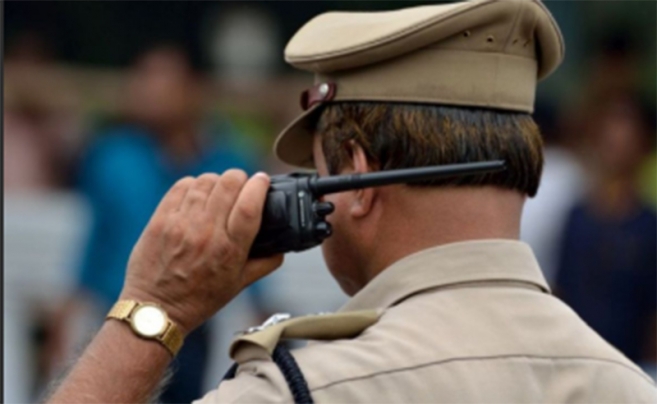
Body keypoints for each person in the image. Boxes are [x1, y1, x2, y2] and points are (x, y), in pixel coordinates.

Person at [47, 0, 656, 403]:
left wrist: (152, 312)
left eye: (318, 170)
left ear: (358, 180)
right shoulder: (627, 386)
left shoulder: (301, 390)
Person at [46, 44, 258, 403]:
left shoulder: (230, 162)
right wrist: (67, 312)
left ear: (193, 88)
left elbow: (251, 245)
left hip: (199, 321)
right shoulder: (111, 157)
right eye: (144, 78)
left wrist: (260, 308)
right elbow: (94, 240)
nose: (151, 91)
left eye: (164, 79)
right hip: (116, 316)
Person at [555, 94, 656, 374]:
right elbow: (562, 291)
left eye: (626, 134)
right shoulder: (577, 217)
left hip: (633, 371)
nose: (615, 143)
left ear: (644, 146)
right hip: (576, 365)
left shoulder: (648, 227)